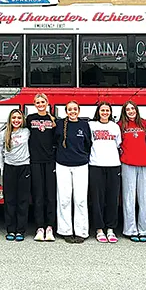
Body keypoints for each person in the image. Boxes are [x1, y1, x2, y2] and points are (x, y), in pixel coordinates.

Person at [55, 101, 92, 243]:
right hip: (62, 165)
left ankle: (81, 231)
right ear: (66, 111)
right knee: (64, 199)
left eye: (75, 109)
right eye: (70, 109)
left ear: (79, 111)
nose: (72, 112)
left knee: (80, 199)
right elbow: (55, 142)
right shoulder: (59, 125)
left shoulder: (84, 125)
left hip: (81, 165)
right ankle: (66, 231)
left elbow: (88, 144)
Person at [119, 100, 146, 242]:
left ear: (136, 110)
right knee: (129, 197)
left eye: (132, 109)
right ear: (124, 112)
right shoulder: (120, 126)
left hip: (145, 163)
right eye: (128, 109)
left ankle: (145, 229)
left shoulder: (145, 124)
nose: (131, 111)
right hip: (127, 163)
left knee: (145, 197)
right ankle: (130, 229)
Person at [88, 102, 121, 243]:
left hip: (113, 165)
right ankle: (99, 229)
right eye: (102, 110)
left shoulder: (115, 126)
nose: (105, 112)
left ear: (110, 112)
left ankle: (110, 229)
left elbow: (118, 143)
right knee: (97, 199)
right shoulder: (91, 125)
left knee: (112, 199)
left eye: (107, 110)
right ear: (98, 112)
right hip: (96, 165)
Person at [0, 109, 31, 241]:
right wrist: (2, 167)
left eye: (19, 118)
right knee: (10, 200)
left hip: (24, 168)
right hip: (9, 168)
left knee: (22, 200)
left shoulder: (27, 132)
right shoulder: (5, 133)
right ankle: (10, 229)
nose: (16, 120)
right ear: (10, 119)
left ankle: (20, 230)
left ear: (23, 120)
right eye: (14, 118)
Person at [26, 93, 57, 241]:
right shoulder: (30, 119)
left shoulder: (52, 120)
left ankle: (50, 227)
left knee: (50, 196)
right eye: (37, 102)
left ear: (47, 103)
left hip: (50, 161)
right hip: (35, 161)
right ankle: (39, 227)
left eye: (42, 101)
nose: (40, 104)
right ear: (34, 104)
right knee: (38, 195)